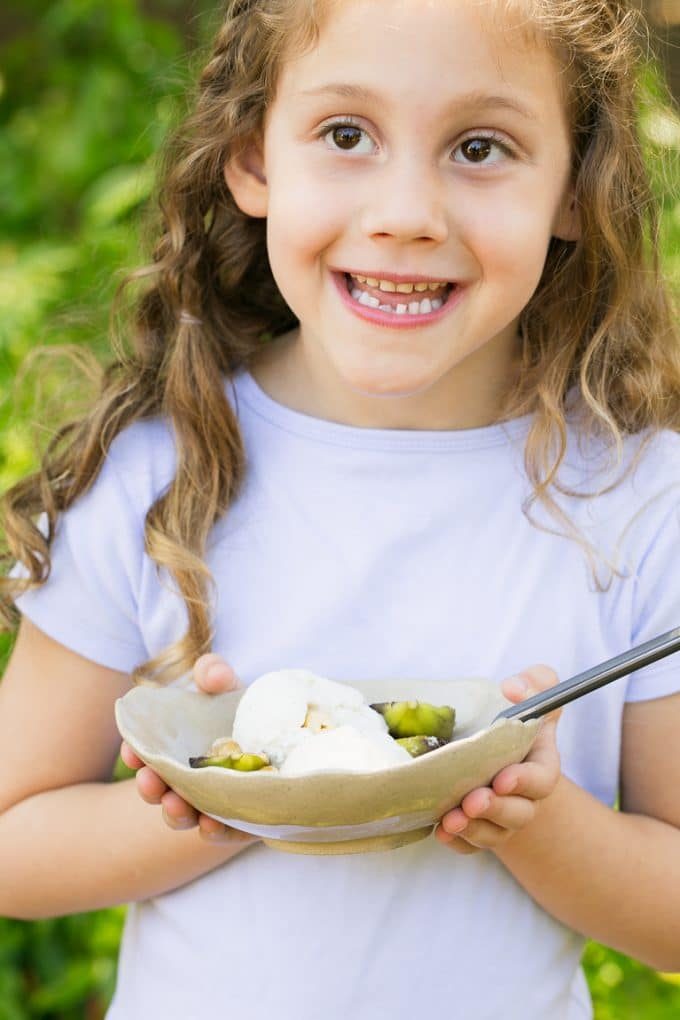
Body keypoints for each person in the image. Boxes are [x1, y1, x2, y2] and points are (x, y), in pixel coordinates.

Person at [1, 0, 679, 1017]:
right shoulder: (155, 478)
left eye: (480, 147)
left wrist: (536, 820)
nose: (406, 212)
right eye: (346, 134)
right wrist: (231, 791)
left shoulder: (639, 501)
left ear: (575, 188)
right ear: (253, 158)